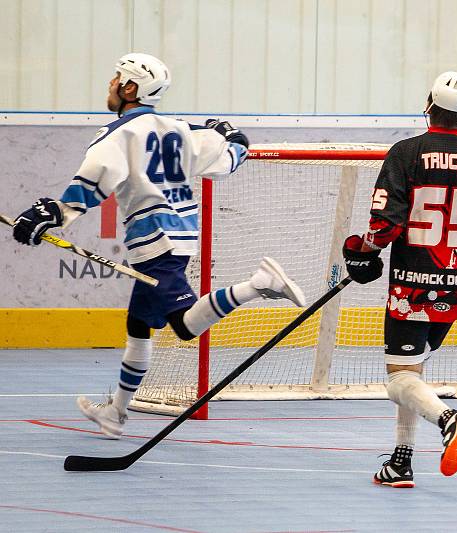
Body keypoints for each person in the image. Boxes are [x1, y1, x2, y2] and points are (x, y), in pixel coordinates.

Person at [12, 53, 306, 438]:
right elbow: (231, 156)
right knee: (138, 325)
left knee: (183, 326)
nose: (111, 84)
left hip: (154, 241)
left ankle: (258, 284)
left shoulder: (118, 134)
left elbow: (91, 183)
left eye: (117, 78)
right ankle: (116, 412)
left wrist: (52, 213)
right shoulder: (182, 130)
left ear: (130, 88)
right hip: (182, 236)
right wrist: (234, 137)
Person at [341, 71, 457, 487]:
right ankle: (401, 461)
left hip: (412, 285)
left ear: (428, 107)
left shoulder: (407, 153)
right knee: (413, 373)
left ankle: (448, 419)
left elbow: (385, 223)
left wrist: (362, 249)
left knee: (399, 379)